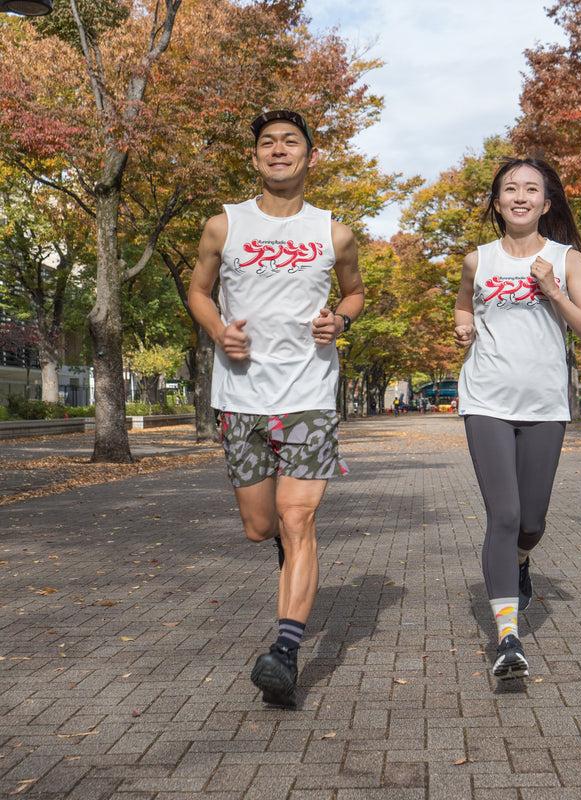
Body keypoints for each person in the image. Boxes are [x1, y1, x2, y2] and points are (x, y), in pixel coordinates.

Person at [188, 108, 364, 707]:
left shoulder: (333, 232)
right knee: (261, 527)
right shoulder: (224, 226)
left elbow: (355, 291)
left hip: (310, 394)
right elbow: (198, 290)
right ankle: (293, 566)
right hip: (241, 398)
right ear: (255, 158)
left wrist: (338, 320)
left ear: (309, 156)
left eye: (291, 142)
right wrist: (218, 332)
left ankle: (285, 651)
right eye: (268, 143)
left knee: (298, 520)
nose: (280, 150)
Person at [453, 156, 581, 679]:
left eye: (531, 189)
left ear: (546, 201)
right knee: (506, 515)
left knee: (532, 522)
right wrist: (463, 325)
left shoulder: (568, 260)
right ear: (497, 202)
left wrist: (553, 291)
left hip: (544, 404)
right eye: (510, 189)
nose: (520, 196)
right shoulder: (478, 260)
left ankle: (520, 563)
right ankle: (508, 638)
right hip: (486, 399)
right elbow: (463, 304)